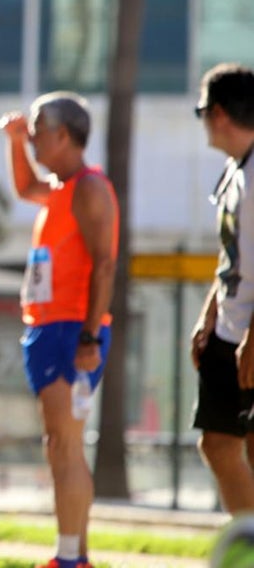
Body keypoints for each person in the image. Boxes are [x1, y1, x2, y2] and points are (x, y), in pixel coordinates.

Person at [0, 92, 119, 568]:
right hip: (52, 326)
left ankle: (70, 558)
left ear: (65, 136)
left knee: (64, 443)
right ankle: (76, 554)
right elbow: (26, 187)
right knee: (60, 443)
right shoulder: (63, 187)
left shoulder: (90, 186)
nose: (33, 137)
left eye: (38, 129)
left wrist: (89, 337)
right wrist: (15, 142)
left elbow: (106, 265)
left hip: (72, 328)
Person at [190, 64, 254, 514]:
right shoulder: (235, 169)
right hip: (228, 329)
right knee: (217, 443)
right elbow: (234, 254)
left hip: (250, 334)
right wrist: (208, 314)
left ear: (217, 113)